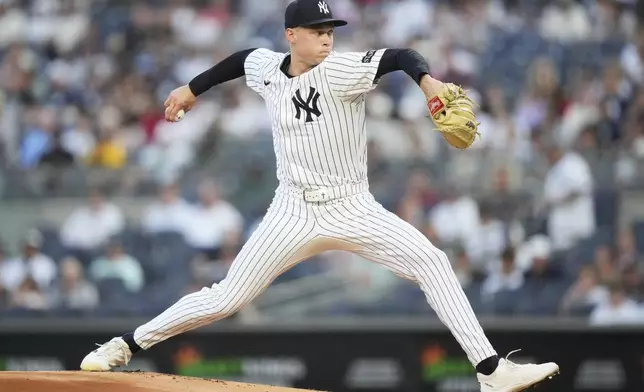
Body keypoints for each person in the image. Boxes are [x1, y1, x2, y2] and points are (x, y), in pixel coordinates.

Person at [80, 1, 559, 390]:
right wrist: (191, 89)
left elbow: (399, 56)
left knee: (432, 262)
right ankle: (123, 345)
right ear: (292, 35)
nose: (327, 36)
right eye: (316, 29)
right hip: (292, 209)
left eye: (330, 28)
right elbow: (240, 60)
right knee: (226, 298)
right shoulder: (267, 67)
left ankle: (491, 371)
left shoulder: (342, 70)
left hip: (352, 206)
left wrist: (427, 80)